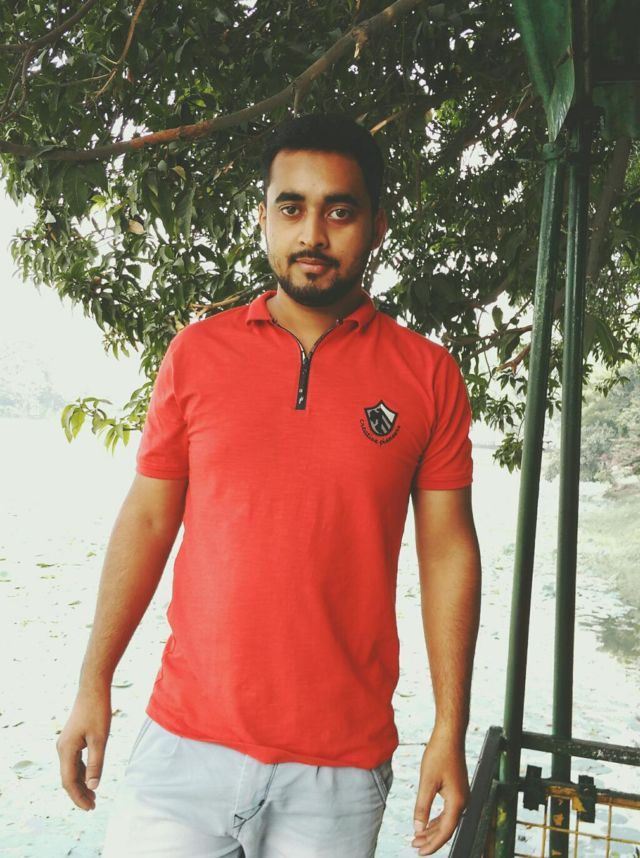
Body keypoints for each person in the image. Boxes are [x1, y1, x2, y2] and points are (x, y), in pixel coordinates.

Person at [56, 112, 482, 858]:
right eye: (292, 207)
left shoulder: (427, 375)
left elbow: (447, 550)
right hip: (183, 746)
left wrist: (450, 726)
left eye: (339, 211)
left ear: (377, 225)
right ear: (263, 217)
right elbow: (149, 520)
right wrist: (94, 681)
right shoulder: (197, 354)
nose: (312, 233)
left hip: (339, 770)